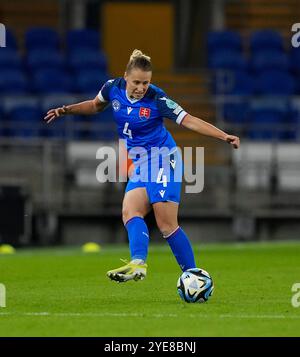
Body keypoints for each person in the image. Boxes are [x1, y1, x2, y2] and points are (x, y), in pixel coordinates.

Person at [44, 49, 240, 283]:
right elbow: (95, 106)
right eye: (136, 82)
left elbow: (189, 120)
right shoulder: (112, 88)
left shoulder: (157, 98)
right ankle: (138, 263)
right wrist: (66, 110)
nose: (141, 87)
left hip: (163, 160)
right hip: (140, 162)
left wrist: (223, 136)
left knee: (166, 225)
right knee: (130, 211)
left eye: (145, 82)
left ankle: (194, 275)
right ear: (126, 77)